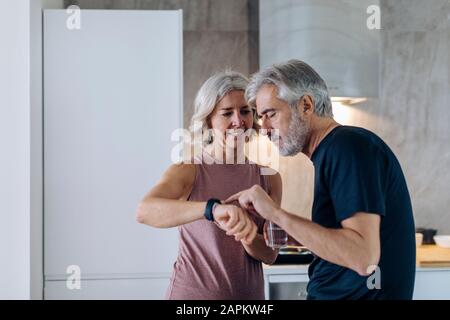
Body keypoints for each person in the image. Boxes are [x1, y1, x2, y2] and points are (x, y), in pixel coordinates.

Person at [226, 60, 416, 299]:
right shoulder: (334, 150)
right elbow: (339, 241)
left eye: (270, 114)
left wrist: (276, 213)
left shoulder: (347, 148)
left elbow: (362, 256)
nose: (263, 128)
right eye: (260, 117)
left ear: (306, 105)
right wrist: (276, 227)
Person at [136, 70, 282, 300]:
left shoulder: (270, 177)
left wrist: (247, 234)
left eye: (245, 111)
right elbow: (145, 211)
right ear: (208, 121)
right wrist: (212, 209)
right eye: (226, 113)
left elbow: (271, 254)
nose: (239, 121)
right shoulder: (188, 170)